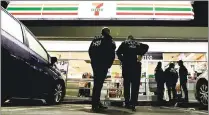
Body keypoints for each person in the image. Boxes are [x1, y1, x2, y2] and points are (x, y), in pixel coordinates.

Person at [117, 35, 149, 111]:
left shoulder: (124, 43)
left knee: (127, 85)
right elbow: (146, 46)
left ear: (127, 39)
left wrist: (123, 60)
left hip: (127, 66)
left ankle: (127, 102)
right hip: (136, 66)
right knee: (135, 86)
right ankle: (133, 103)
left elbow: (118, 52)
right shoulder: (137, 43)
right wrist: (141, 54)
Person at [88, 27, 116, 112]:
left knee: (97, 84)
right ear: (107, 32)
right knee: (98, 84)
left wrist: (93, 60)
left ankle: (96, 102)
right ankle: (95, 104)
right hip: (103, 64)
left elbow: (90, 51)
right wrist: (108, 64)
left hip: (95, 64)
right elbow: (112, 51)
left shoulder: (95, 39)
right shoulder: (109, 39)